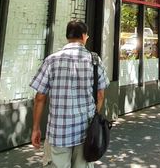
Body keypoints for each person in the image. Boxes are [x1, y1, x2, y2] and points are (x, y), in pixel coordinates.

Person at [30, 20, 108, 167]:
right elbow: (100, 95)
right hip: (86, 132)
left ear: (67, 36)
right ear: (84, 36)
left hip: (58, 132)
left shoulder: (51, 60)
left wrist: (35, 128)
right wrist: (94, 118)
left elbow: (40, 98)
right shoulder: (95, 60)